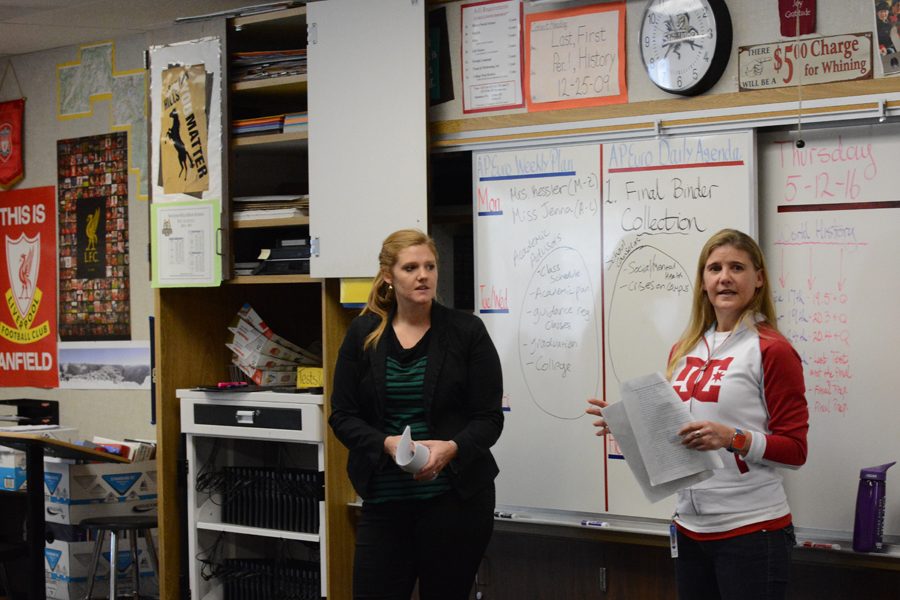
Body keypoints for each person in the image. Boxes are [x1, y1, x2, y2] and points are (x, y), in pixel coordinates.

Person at [586, 229, 809, 600]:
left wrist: (733, 437)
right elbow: (681, 439)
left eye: (737, 267)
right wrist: (630, 428)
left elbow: (796, 450)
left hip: (752, 532)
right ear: (703, 282)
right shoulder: (684, 348)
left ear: (758, 279)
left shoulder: (773, 349)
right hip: (689, 531)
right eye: (715, 268)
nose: (725, 277)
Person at [329, 228, 504, 599]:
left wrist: (451, 448)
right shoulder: (363, 334)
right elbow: (342, 415)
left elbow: (489, 418)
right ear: (388, 277)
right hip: (385, 504)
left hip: (455, 505)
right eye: (411, 267)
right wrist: (386, 444)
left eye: (430, 266)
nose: (423, 275)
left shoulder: (466, 331)